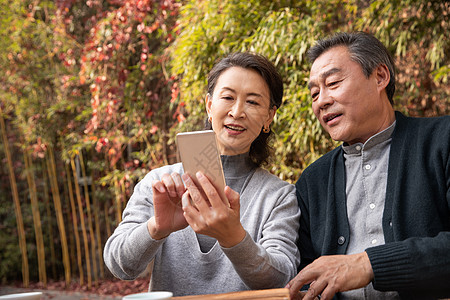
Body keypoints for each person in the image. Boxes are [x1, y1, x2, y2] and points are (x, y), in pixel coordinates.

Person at [104, 52, 300, 296]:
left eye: (253, 102)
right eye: (228, 97)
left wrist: (234, 237)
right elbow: (119, 266)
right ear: (209, 105)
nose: (237, 112)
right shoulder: (160, 184)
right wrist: (157, 227)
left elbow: (282, 278)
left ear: (269, 117)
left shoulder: (279, 196)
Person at [286, 32, 450, 300]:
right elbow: (303, 278)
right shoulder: (311, 182)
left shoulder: (442, 141)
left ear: (380, 77)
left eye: (334, 83)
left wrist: (369, 263)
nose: (321, 101)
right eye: (315, 93)